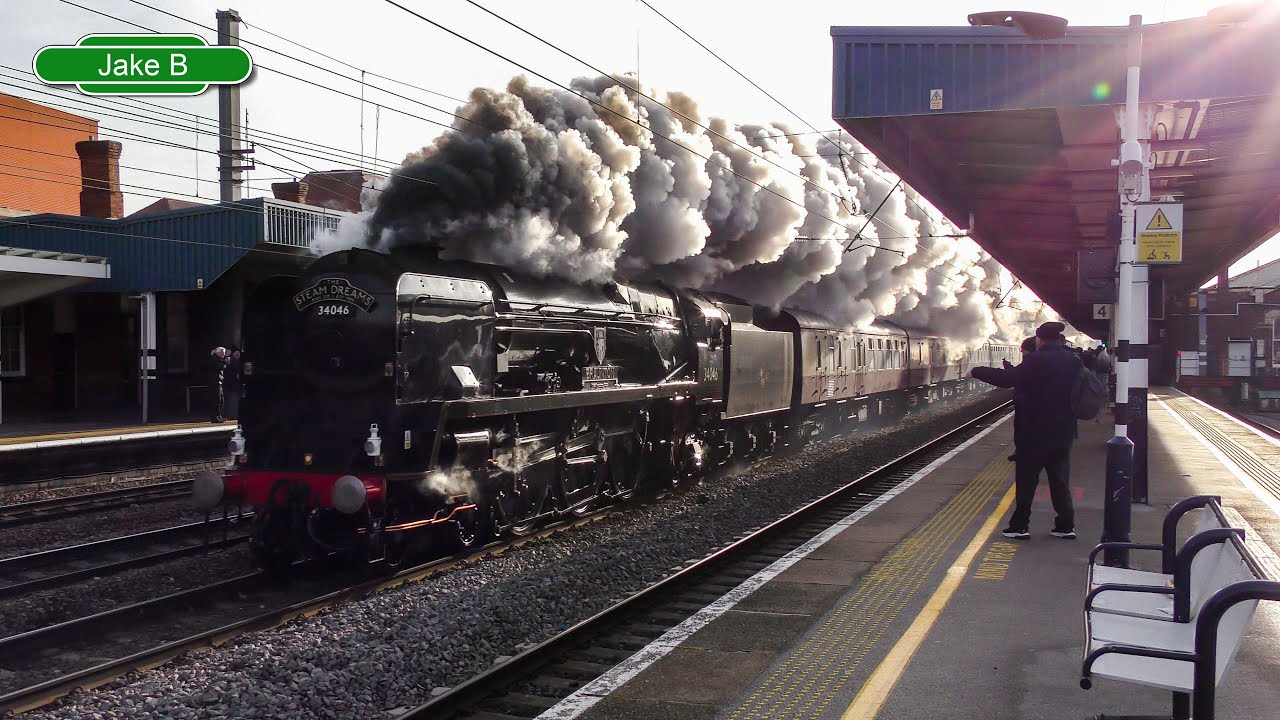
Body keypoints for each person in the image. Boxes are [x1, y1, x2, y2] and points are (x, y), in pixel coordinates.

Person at [969, 321, 1080, 540]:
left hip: (1034, 432)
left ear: (1040, 339)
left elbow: (1007, 379)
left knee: (1027, 481)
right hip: (1063, 432)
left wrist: (977, 370)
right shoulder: (1073, 360)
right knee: (1059, 480)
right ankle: (1065, 525)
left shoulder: (1036, 360)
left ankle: (1020, 526)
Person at [223, 346, 242, 421]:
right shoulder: (230, 361)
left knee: (235, 400)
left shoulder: (239, 361)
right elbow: (227, 372)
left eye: (238, 353)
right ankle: (232, 415)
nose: (238, 354)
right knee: (232, 400)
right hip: (232, 385)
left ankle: (235, 414)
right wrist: (235, 375)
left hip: (237, 385)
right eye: (236, 353)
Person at [209, 346, 227, 423]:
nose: (224, 354)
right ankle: (214, 417)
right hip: (214, 381)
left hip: (218, 381)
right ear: (218, 353)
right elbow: (218, 367)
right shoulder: (214, 359)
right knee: (216, 400)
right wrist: (225, 363)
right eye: (223, 353)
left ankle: (219, 416)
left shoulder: (219, 359)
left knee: (221, 400)